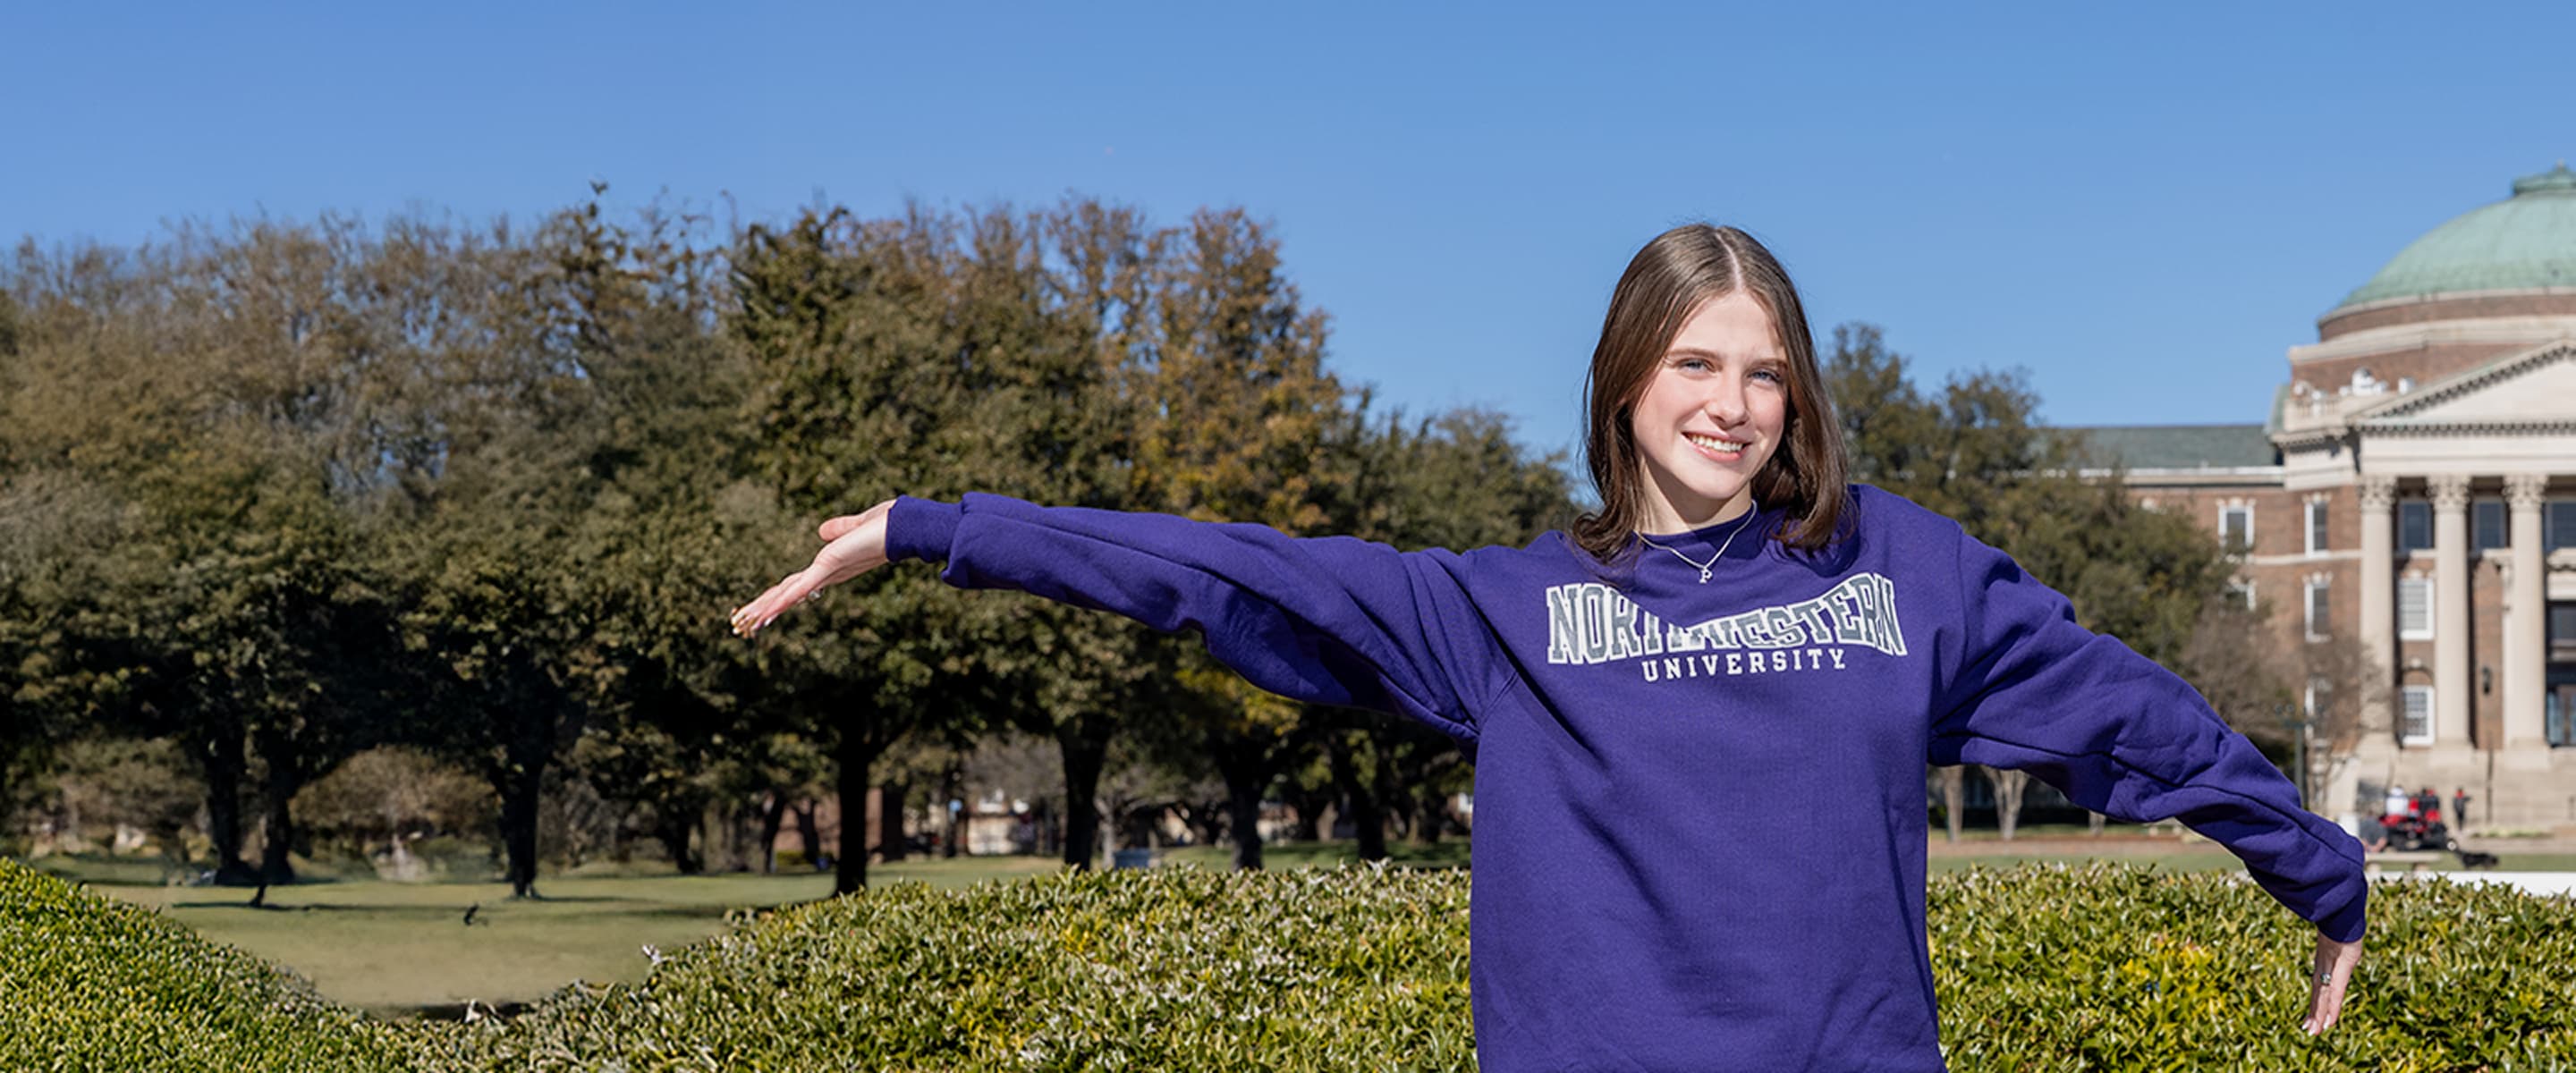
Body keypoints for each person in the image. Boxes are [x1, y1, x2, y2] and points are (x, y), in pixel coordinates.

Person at [730, 224, 2367, 1070]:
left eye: (1769, 372)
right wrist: (942, 528)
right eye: (1697, 365)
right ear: (1625, 383)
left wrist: (2312, 865)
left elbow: (2125, 715)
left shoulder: (1905, 575)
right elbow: (1224, 572)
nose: (1734, 406)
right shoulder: (1500, 615)